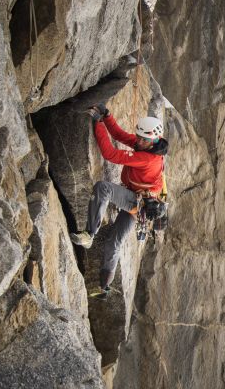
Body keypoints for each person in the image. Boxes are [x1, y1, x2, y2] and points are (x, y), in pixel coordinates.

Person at [70, 104, 168, 295]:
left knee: (103, 188)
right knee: (113, 242)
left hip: (138, 202)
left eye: (142, 139)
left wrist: (97, 124)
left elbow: (110, 154)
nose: (138, 141)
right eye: (138, 137)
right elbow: (120, 136)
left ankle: (89, 235)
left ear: (153, 140)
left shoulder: (147, 158)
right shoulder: (148, 145)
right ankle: (104, 286)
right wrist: (107, 116)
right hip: (138, 203)